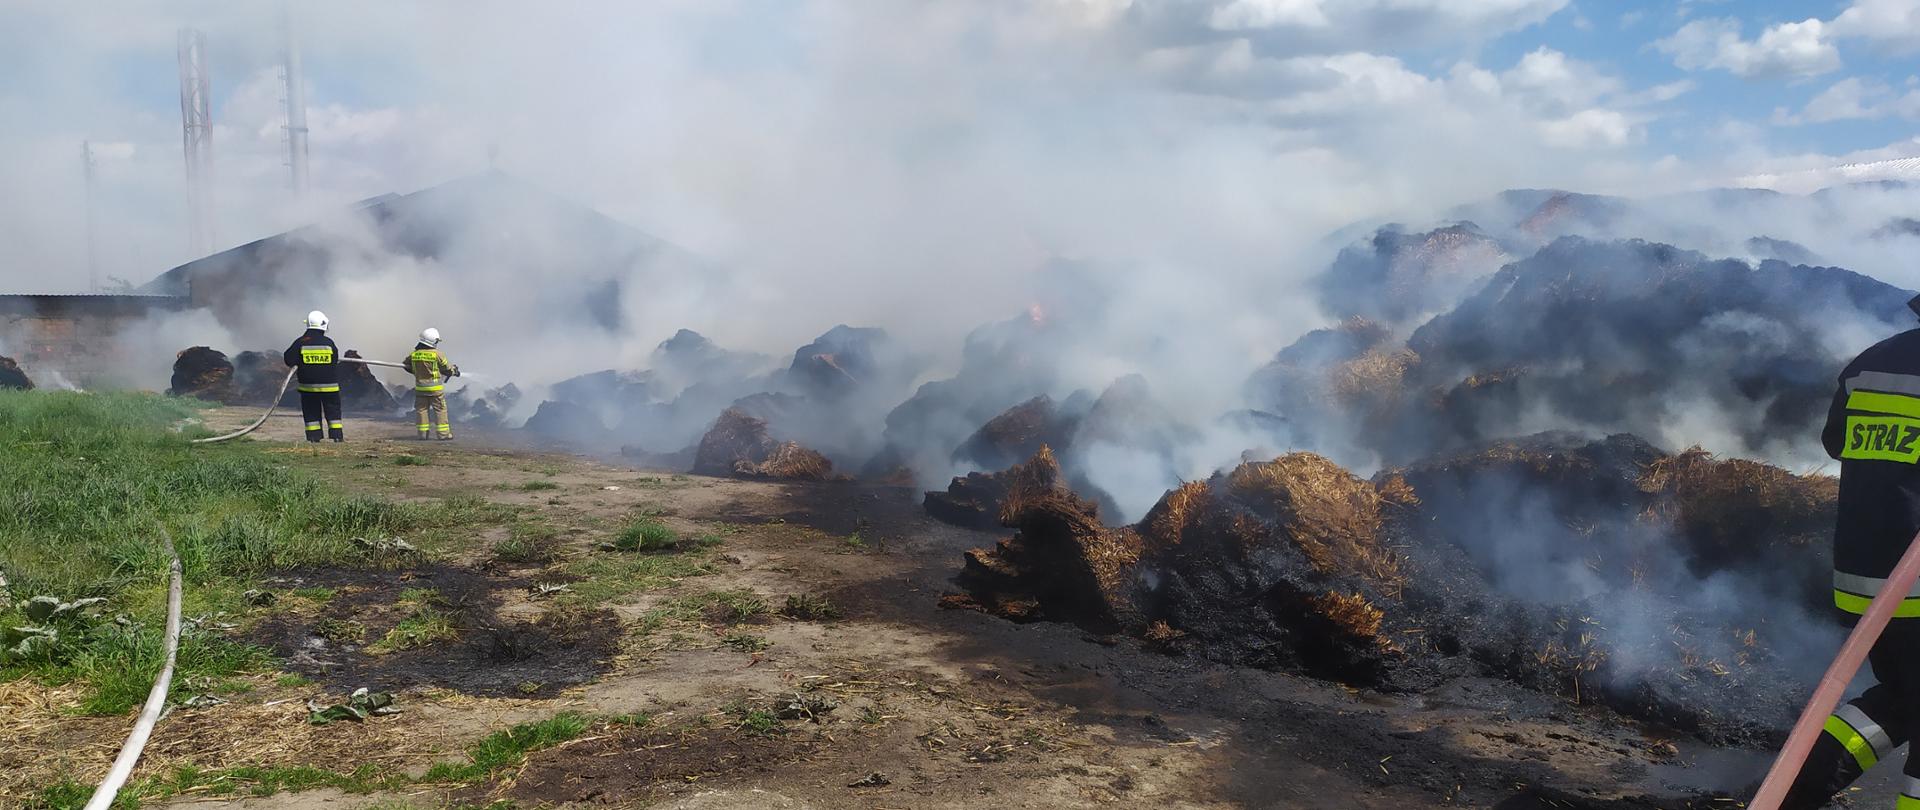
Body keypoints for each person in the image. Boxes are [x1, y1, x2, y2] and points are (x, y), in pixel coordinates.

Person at [1781, 294, 1920, 809]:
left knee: (1902, 700)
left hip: (1865, 577)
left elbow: (1837, 443)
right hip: (1915, 579)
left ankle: (1788, 794)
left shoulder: (1870, 363)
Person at [283, 310, 344, 443]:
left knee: (311, 412)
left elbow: (288, 359)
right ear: (324, 325)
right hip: (330, 387)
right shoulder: (329, 342)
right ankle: (337, 437)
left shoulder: (300, 342)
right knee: (333, 412)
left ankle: (314, 438)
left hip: (309, 388)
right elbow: (335, 360)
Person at [402, 327, 459, 440]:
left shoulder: (414, 354)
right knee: (440, 410)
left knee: (421, 410)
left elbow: (406, 366)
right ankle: (443, 434)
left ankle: (422, 434)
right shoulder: (437, 354)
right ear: (433, 341)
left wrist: (417, 372)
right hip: (435, 390)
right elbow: (447, 369)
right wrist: (455, 371)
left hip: (420, 389)